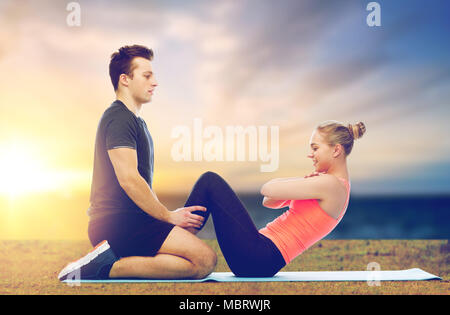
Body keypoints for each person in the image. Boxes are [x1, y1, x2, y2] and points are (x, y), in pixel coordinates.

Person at [58, 45, 217, 281]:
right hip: (118, 224)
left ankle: (109, 261)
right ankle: (103, 267)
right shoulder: (119, 117)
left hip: (133, 220)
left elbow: (140, 184)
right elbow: (129, 179)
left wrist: (167, 216)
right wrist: (167, 216)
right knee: (204, 260)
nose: (155, 82)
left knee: (195, 248)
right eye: (147, 75)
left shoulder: (137, 122)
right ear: (125, 80)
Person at [184, 121, 366, 277]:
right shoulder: (329, 185)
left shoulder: (331, 185)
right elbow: (269, 201)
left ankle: (175, 240)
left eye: (315, 148)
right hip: (260, 255)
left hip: (260, 255)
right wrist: (304, 182)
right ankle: (177, 240)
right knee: (210, 183)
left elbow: (267, 188)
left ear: (336, 150)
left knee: (210, 181)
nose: (310, 154)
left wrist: (300, 181)